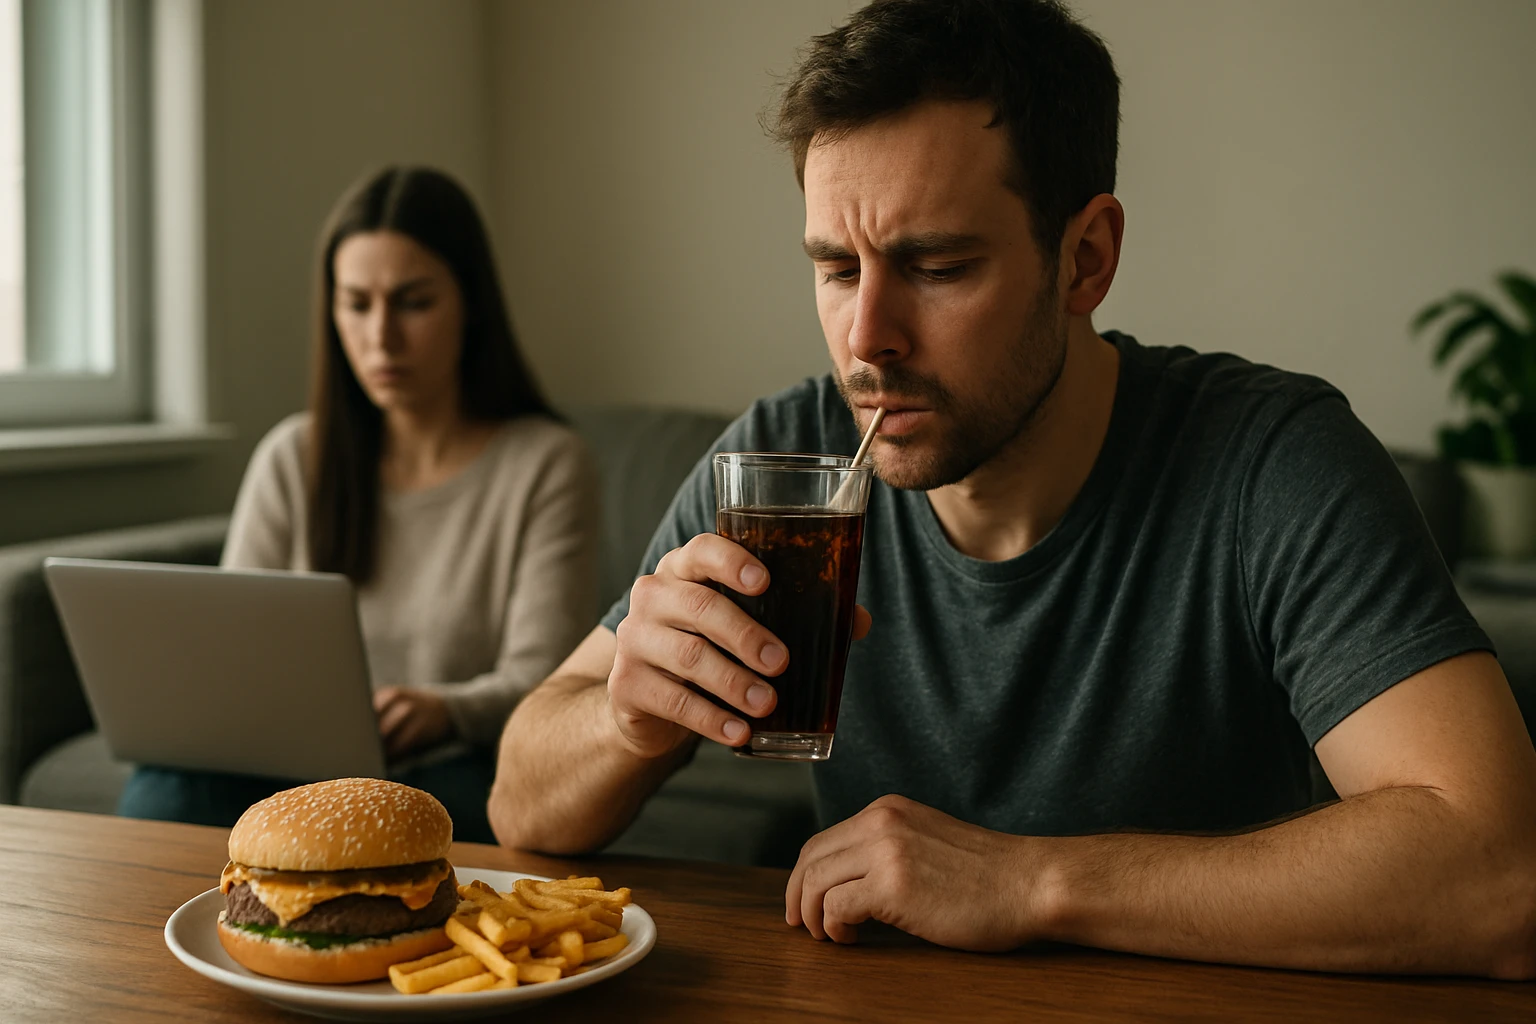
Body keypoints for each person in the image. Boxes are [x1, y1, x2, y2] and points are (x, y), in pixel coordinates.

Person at [488, 0, 1536, 977]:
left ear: (1085, 260)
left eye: (936, 267)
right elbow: (517, 800)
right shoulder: (790, 458)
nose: (866, 341)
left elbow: (1500, 871)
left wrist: (1031, 880)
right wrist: (626, 722)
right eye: (838, 268)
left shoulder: (1271, 460)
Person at [118, 167, 599, 843]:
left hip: (451, 765)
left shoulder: (545, 462)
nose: (381, 337)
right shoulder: (293, 455)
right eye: (356, 304)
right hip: (292, 766)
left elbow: (546, 676)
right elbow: (228, 659)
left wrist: (444, 710)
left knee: (455, 813)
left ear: (471, 303)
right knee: (161, 790)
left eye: (412, 302)